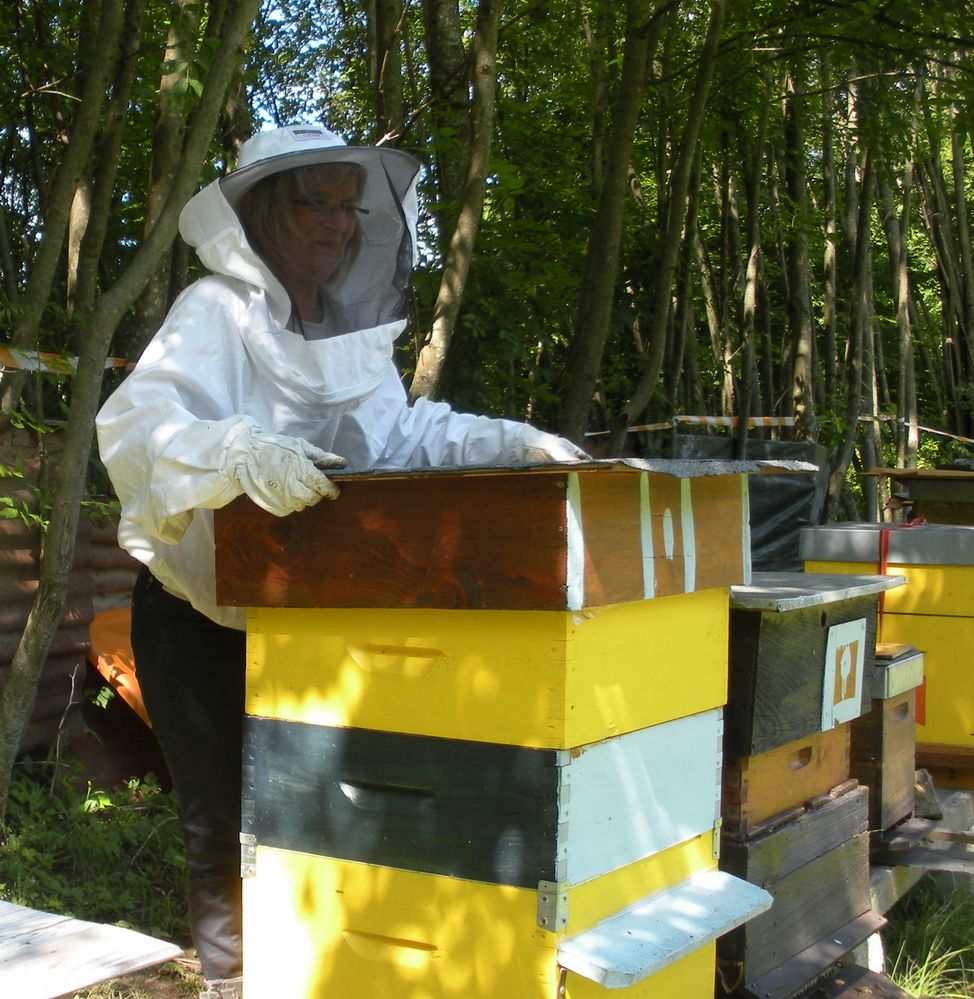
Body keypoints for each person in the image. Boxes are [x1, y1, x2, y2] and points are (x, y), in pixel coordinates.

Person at [95, 123, 586, 999]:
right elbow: (139, 429)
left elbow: (398, 436)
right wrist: (237, 454)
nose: (332, 222)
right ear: (258, 212)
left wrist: (507, 441)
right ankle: (232, 982)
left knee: (314, 818)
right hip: (200, 610)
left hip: (313, 619)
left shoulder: (350, 331)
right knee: (223, 818)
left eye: (345, 205)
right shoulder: (216, 310)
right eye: (309, 201)